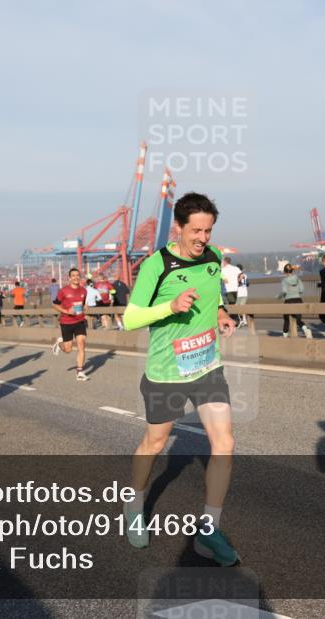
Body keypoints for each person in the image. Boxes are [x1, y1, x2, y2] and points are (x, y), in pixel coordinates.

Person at [121, 192, 240, 565]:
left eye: (208, 230)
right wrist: (169, 307)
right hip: (166, 372)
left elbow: (213, 292)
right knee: (155, 444)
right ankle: (134, 505)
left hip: (206, 366)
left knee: (224, 442)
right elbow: (130, 319)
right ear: (178, 227)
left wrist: (220, 312)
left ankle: (209, 530)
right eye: (196, 230)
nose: (202, 238)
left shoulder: (214, 257)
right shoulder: (158, 264)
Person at [51, 268, 90, 381]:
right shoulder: (63, 291)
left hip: (79, 321)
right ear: (69, 278)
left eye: (78, 275)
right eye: (73, 275)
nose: (76, 277)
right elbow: (55, 305)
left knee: (81, 344)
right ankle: (59, 344)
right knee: (68, 350)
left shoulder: (84, 291)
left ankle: (79, 372)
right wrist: (67, 311)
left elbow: (82, 304)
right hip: (66, 322)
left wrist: (85, 307)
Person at [278, 263, 311, 338]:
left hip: (289, 301)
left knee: (286, 319)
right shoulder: (297, 278)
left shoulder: (284, 280)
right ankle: (306, 330)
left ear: (285, 271)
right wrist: (296, 292)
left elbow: (284, 291)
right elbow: (302, 290)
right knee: (298, 319)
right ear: (292, 271)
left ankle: (285, 335)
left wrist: (279, 296)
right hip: (298, 300)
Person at [235, 264, 249, 328]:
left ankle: (240, 320)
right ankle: (244, 320)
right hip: (245, 292)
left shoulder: (237, 275)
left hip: (239, 293)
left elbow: (236, 283)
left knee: (236, 307)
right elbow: (248, 284)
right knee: (243, 307)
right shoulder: (245, 275)